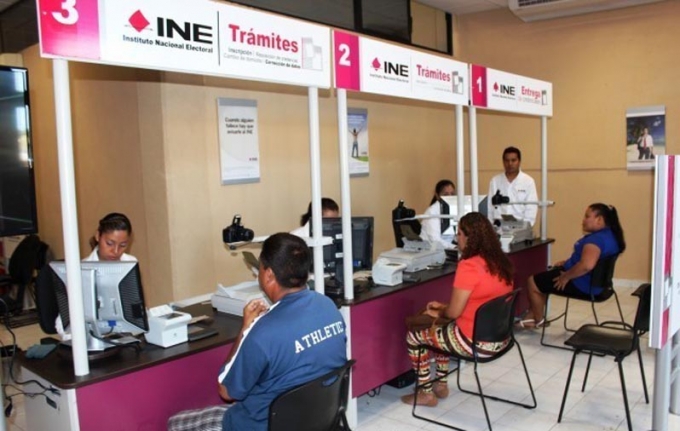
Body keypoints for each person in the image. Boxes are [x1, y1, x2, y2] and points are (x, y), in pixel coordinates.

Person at [168, 233, 347, 431]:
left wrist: (245, 330)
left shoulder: (264, 332)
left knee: (176, 423)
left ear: (269, 275)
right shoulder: (328, 306)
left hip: (263, 425)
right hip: (317, 419)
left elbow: (226, 391)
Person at [401, 212, 513, 407]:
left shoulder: (469, 266)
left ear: (470, 238)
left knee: (415, 336)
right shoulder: (500, 262)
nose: (456, 237)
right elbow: (477, 302)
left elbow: (453, 313)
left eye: (459, 233)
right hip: (501, 339)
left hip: (474, 343)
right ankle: (441, 386)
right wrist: (443, 308)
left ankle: (426, 392)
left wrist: (440, 312)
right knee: (442, 328)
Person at [520, 203, 625, 329]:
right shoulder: (610, 235)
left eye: (587, 216)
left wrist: (566, 277)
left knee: (533, 282)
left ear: (599, 220)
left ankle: (539, 321)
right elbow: (592, 259)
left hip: (583, 285)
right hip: (601, 285)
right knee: (545, 279)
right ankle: (531, 316)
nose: (583, 220)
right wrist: (567, 262)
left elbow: (587, 265)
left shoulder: (596, 240)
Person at [55, 212, 136, 338]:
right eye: (109, 243)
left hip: (123, 336)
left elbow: (136, 310)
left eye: (123, 245)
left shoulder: (129, 263)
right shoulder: (80, 271)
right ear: (98, 236)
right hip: (90, 338)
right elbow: (63, 324)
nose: (115, 251)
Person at [487, 146, 538, 226]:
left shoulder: (528, 181)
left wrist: (524, 228)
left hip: (521, 228)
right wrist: (491, 227)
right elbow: (490, 207)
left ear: (519, 161)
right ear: (503, 162)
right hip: (499, 228)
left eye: (513, 160)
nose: (510, 164)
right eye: (507, 160)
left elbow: (531, 208)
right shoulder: (495, 181)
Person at [420, 179, 456, 250]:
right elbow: (434, 239)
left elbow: (453, 234)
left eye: (452, 194)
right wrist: (454, 247)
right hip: (430, 250)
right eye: (446, 194)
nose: (450, 197)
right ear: (437, 195)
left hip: (446, 248)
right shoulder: (432, 212)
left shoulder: (453, 209)